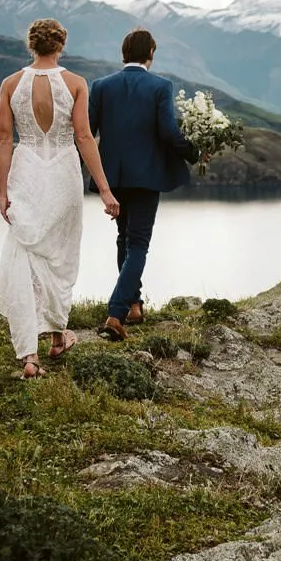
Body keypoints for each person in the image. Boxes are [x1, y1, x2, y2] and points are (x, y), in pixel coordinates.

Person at [0, 18, 120, 378]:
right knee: (59, 256)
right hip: (64, 173)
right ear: (61, 45)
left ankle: (31, 355)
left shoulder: (10, 85)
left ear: (30, 45)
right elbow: (83, 138)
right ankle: (55, 337)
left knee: (27, 255)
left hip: (27, 171)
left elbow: (5, 141)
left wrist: (2, 190)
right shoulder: (76, 84)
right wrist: (106, 189)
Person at [88, 28, 200, 340]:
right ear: (150, 53)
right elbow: (167, 132)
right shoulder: (160, 86)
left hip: (113, 177)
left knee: (124, 238)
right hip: (147, 176)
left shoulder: (101, 86)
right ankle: (116, 312)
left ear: (124, 53)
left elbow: (89, 131)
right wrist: (194, 151)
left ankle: (134, 305)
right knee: (138, 243)